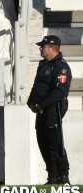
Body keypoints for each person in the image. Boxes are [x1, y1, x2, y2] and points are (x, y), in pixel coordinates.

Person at [27, 35, 72, 184]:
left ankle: (63, 175)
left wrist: (42, 105)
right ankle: (52, 175)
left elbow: (60, 92)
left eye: (43, 46)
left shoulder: (61, 66)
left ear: (52, 48)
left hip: (53, 107)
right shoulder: (43, 64)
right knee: (43, 141)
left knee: (55, 142)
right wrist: (31, 102)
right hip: (41, 109)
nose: (40, 48)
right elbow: (37, 85)